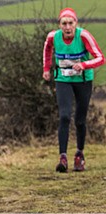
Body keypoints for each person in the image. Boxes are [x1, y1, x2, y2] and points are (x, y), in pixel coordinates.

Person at [43, 7, 104, 172]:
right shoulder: (53, 37)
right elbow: (47, 48)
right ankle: (62, 158)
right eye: (64, 23)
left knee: (80, 120)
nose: (67, 27)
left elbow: (100, 58)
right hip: (63, 79)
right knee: (64, 116)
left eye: (70, 23)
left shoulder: (83, 35)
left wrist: (83, 65)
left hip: (83, 81)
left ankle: (79, 155)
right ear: (60, 25)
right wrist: (46, 68)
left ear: (76, 23)